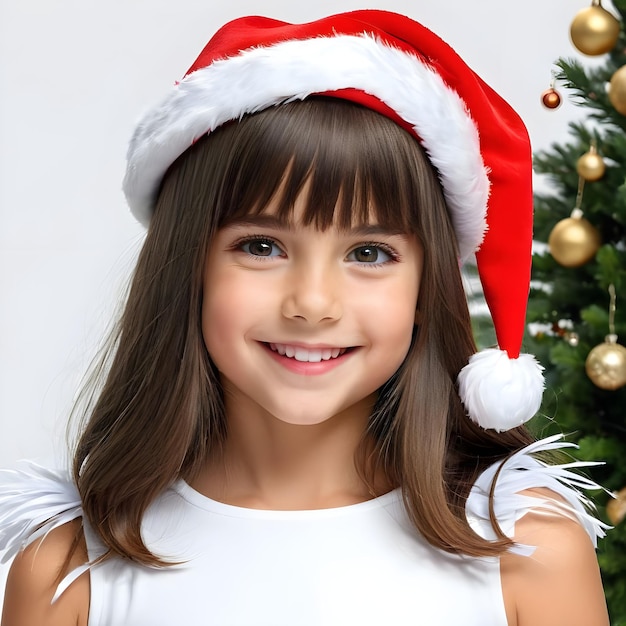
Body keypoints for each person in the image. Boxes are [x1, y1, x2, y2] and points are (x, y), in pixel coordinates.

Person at [0, 9, 610, 626]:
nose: (313, 304)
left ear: (428, 287)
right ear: (189, 265)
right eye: (262, 246)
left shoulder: (526, 551)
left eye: (369, 254)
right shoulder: (69, 566)